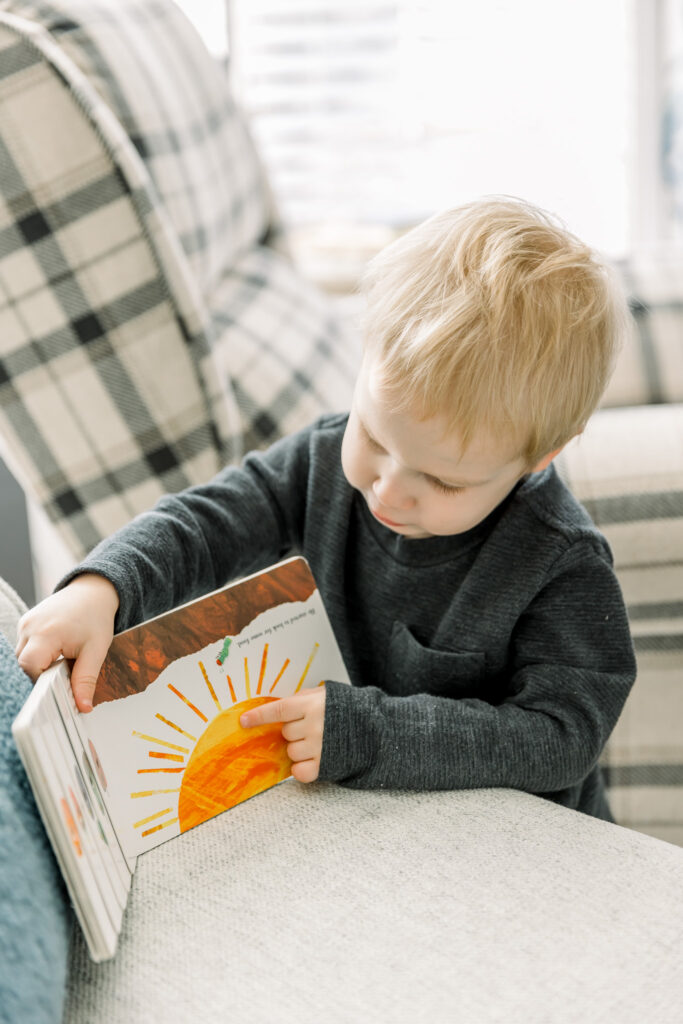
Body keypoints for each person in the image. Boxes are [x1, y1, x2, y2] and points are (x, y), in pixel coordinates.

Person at [15, 197, 636, 819]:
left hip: (518, 847)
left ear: (539, 458)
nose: (388, 490)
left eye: (442, 481)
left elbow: (561, 739)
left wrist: (369, 732)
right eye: (372, 435)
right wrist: (104, 585)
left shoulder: (562, 564)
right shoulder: (319, 459)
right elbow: (203, 525)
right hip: (366, 818)